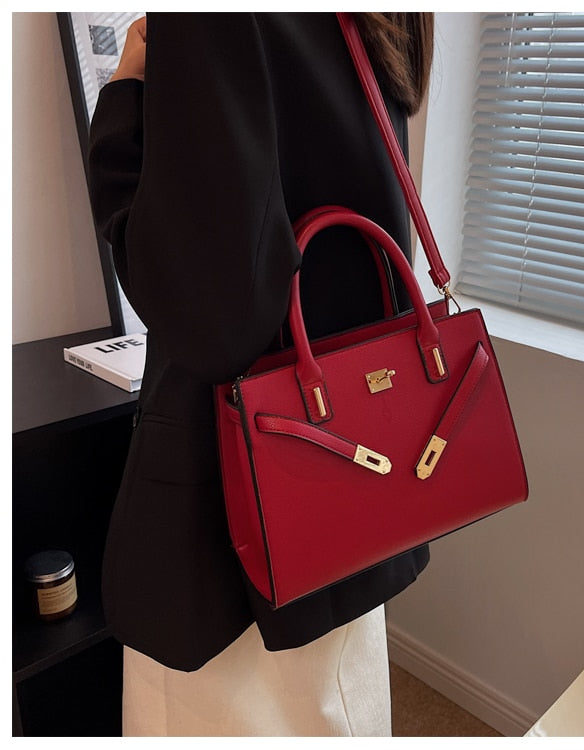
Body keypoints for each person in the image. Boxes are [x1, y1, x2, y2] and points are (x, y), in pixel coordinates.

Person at [86, 12, 434, 736]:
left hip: (233, 534)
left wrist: (124, 99)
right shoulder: (368, 20)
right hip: (351, 483)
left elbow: (209, 323)